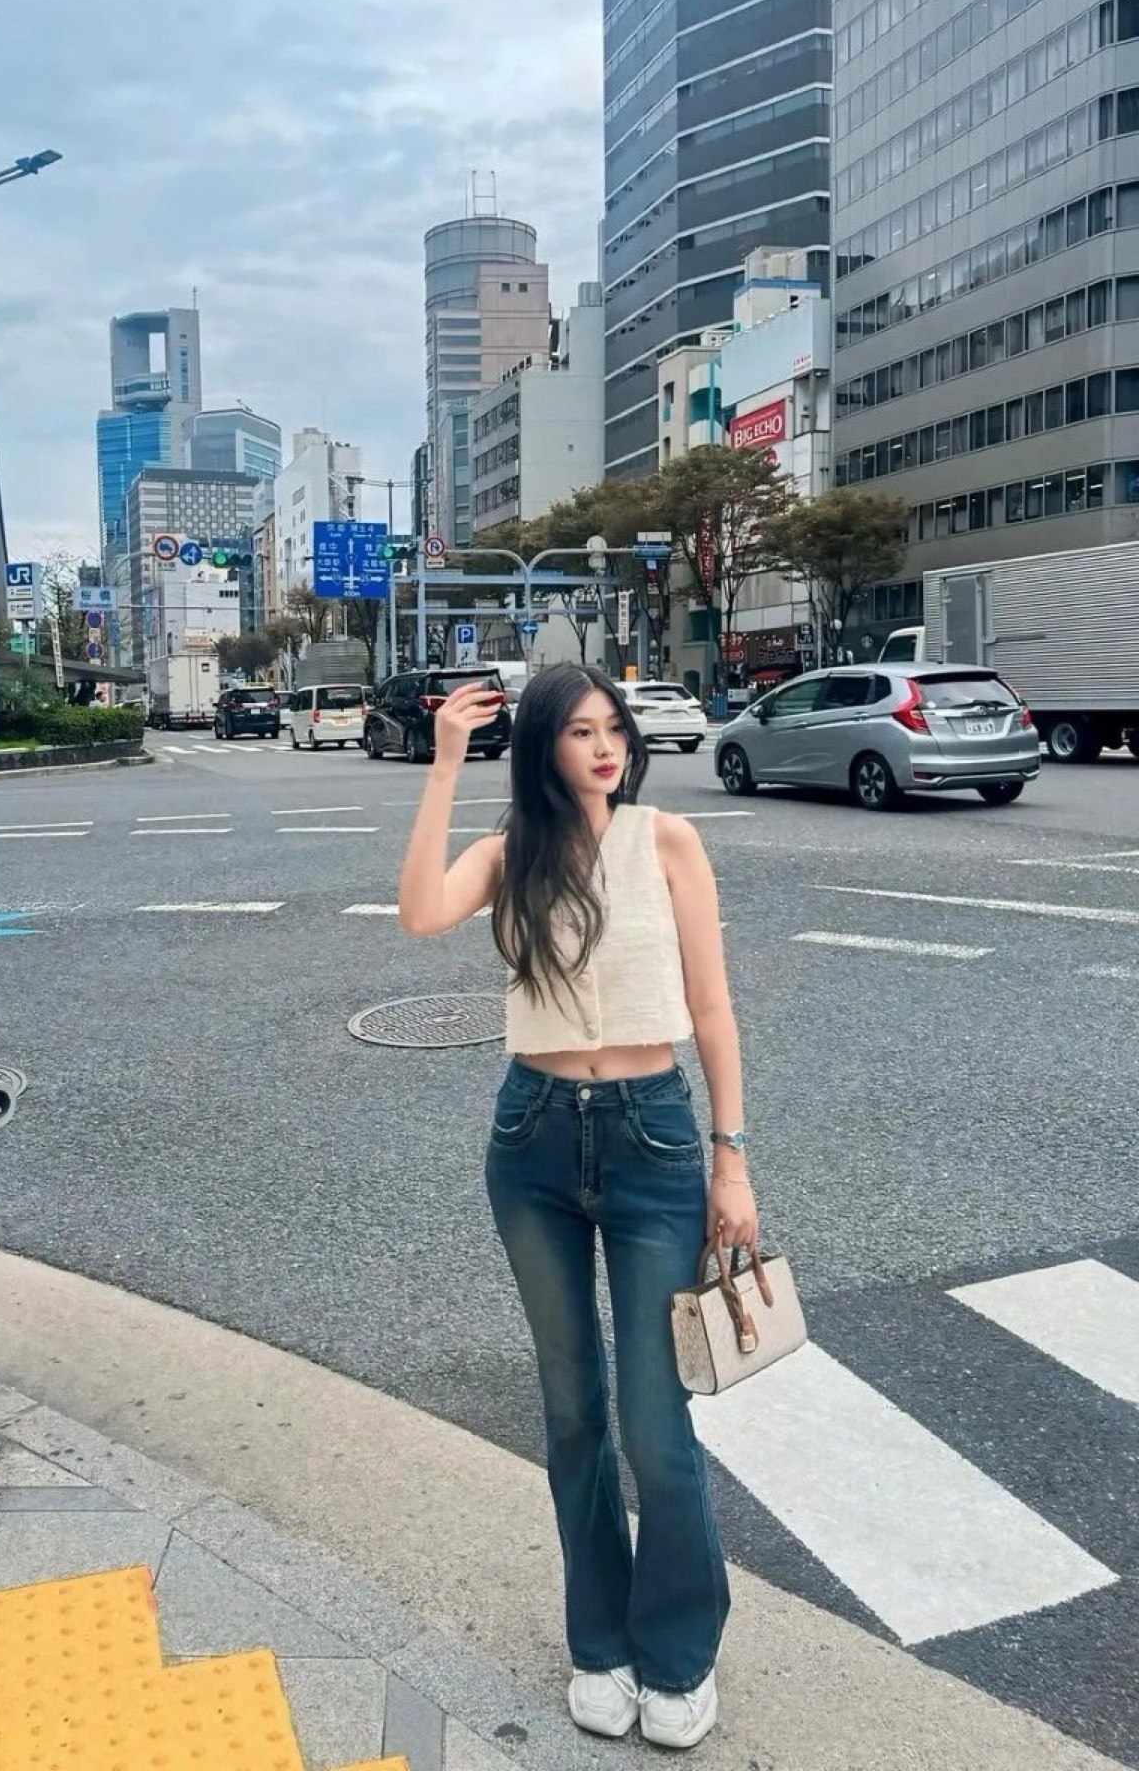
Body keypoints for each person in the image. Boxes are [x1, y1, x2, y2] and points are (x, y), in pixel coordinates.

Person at [398, 663, 757, 1752]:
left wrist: (731, 1160)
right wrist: (445, 762)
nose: (605, 749)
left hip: (653, 1136)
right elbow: (419, 913)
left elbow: (711, 1008)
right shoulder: (512, 852)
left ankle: (679, 1650)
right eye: (580, 733)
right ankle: (599, 1642)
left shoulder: (668, 843)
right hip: (534, 1137)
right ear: (544, 748)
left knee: (656, 1420)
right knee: (570, 1413)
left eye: (615, 730)